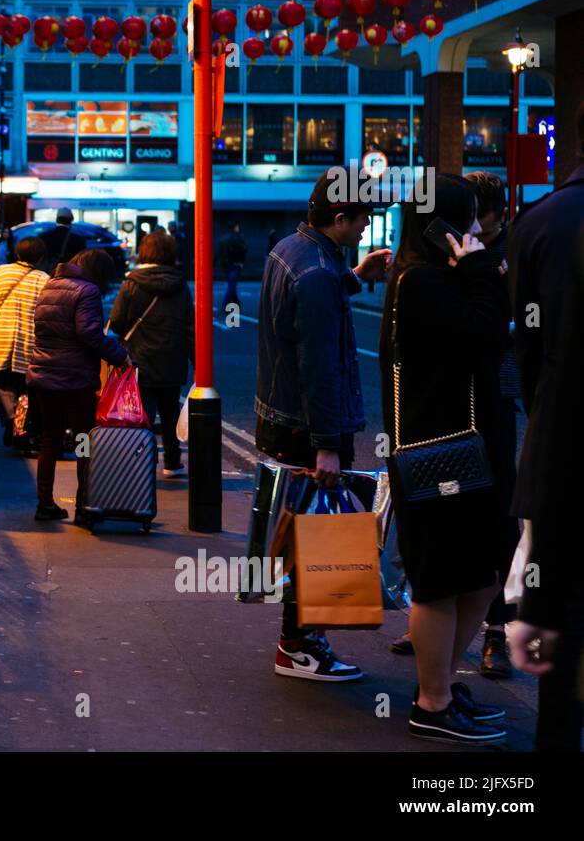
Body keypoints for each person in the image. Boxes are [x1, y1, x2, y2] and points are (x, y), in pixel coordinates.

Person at [380, 174, 511, 743]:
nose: (475, 228)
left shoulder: (430, 277)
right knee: (439, 580)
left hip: (465, 447)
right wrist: (482, 271)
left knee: (480, 573)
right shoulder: (421, 282)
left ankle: (438, 682)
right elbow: (484, 332)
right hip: (439, 454)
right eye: (466, 218)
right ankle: (431, 702)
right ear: (439, 226)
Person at [254, 167, 392, 682]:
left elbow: (307, 312)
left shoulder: (290, 251)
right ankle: (299, 645)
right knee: (318, 537)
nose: (364, 230)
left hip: (282, 419)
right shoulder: (314, 273)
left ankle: (302, 641)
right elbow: (319, 366)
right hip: (306, 429)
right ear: (339, 217)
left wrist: (355, 275)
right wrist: (328, 446)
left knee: (303, 534)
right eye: (361, 221)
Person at [507, 107, 584, 752]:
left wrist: (548, 405)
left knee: (560, 622)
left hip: (566, 443)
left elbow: (527, 342)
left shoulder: (539, 224)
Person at [465, 171, 522, 680]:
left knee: (501, 517)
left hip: (498, 400)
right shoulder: (455, 248)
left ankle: (496, 633)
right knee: (449, 509)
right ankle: (443, 623)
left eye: (480, 216)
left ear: (499, 215)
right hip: (456, 399)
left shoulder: (514, 255)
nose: (473, 227)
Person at [27, 248, 128, 523]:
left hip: (43, 375)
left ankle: (45, 504)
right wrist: (120, 356)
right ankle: (83, 506)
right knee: (84, 440)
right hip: (75, 379)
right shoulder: (87, 291)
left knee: (50, 438)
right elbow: (89, 333)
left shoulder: (49, 286)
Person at [108, 229, 194, 477]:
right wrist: (197, 362)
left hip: (140, 361)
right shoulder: (180, 286)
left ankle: (141, 464)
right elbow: (190, 328)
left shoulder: (132, 283)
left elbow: (116, 322)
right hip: (172, 361)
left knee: (141, 416)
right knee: (170, 414)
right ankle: (172, 462)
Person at [0, 237, 49, 445]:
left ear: (17, 254)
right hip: (28, 345)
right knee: (24, 389)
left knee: (3, 385)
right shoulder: (44, 279)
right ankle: (21, 429)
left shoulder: (0, 272)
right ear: (40, 258)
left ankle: (11, 423)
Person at [38, 207, 85, 272]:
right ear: (71, 221)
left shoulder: (43, 236)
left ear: (56, 220)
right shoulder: (78, 239)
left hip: (48, 273)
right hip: (69, 274)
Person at [215, 221, 248, 313]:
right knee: (231, 284)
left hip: (225, 264)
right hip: (235, 264)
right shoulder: (238, 238)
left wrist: (214, 263)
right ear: (235, 227)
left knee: (231, 283)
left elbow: (219, 252)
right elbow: (243, 250)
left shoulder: (223, 238)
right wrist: (242, 262)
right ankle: (226, 304)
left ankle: (236, 303)